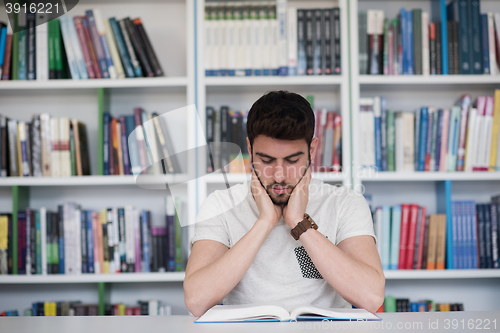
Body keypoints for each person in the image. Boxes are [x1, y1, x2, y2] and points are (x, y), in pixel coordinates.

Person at [183, 90, 385, 317]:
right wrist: (265, 222)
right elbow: (197, 301)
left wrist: (298, 222)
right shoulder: (220, 205)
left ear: (312, 150)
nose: (279, 175)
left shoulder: (345, 203)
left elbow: (371, 297)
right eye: (266, 160)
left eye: (292, 160)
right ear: (249, 150)